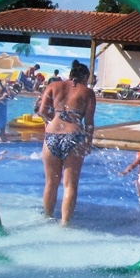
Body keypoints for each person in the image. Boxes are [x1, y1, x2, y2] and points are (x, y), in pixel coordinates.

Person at [38, 60, 96, 225]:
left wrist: (52, 122)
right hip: (74, 137)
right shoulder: (88, 92)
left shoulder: (53, 86)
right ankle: (65, 223)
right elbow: (89, 121)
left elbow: (42, 111)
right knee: (70, 185)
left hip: (51, 136)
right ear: (85, 76)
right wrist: (88, 141)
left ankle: (47, 216)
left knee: (51, 182)